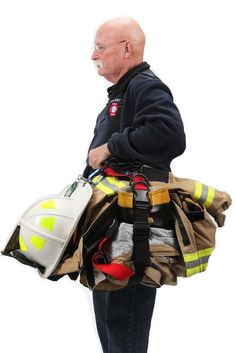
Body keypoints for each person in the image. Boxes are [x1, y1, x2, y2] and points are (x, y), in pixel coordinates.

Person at [83, 17, 186, 353]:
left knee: (123, 332)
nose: (92, 55)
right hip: (111, 235)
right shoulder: (122, 94)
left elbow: (170, 134)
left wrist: (112, 146)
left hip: (133, 235)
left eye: (100, 47)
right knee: (112, 329)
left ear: (126, 49)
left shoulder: (144, 86)